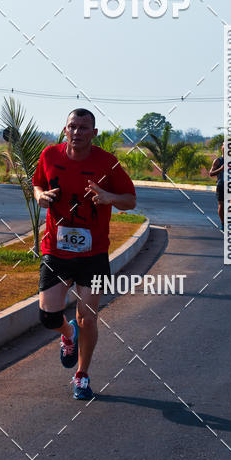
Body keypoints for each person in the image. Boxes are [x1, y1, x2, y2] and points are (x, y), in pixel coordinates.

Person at [33, 108, 137, 400]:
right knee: (48, 317)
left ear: (94, 133)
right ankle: (68, 335)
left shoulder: (108, 163)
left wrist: (109, 198)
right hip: (56, 250)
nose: (77, 132)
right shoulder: (50, 155)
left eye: (83, 127)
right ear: (65, 130)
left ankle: (82, 376)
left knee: (88, 318)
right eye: (72, 126)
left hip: (93, 253)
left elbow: (130, 199)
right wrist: (41, 196)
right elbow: (37, 183)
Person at [209, 144, 224, 229]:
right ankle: (223, 224)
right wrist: (220, 169)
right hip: (221, 185)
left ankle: (227, 219)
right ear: (222, 148)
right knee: (221, 205)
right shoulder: (218, 161)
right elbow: (211, 173)